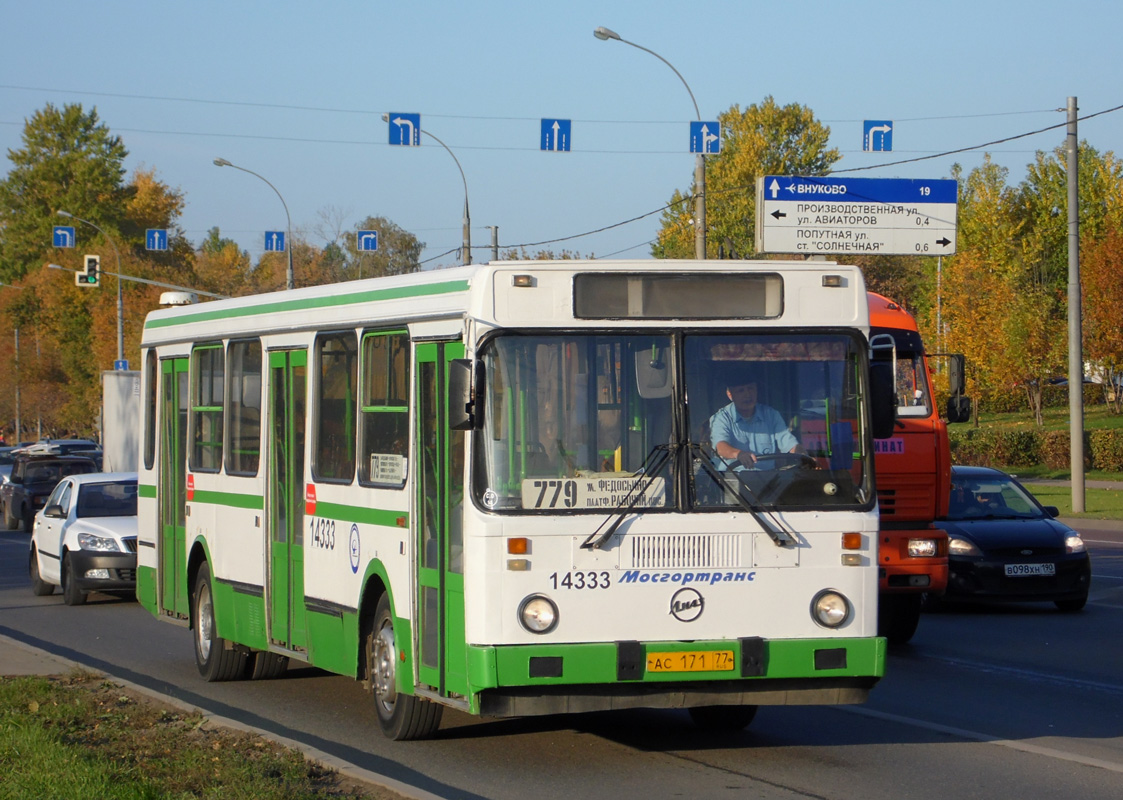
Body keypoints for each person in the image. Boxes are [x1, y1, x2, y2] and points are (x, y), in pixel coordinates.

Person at [710, 371, 803, 470]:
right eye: (741, 391)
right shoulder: (721, 418)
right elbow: (721, 447)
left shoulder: (771, 415)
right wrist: (738, 454)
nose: (748, 394)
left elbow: (789, 442)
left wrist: (802, 455)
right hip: (732, 480)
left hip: (769, 481)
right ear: (730, 395)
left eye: (751, 388)